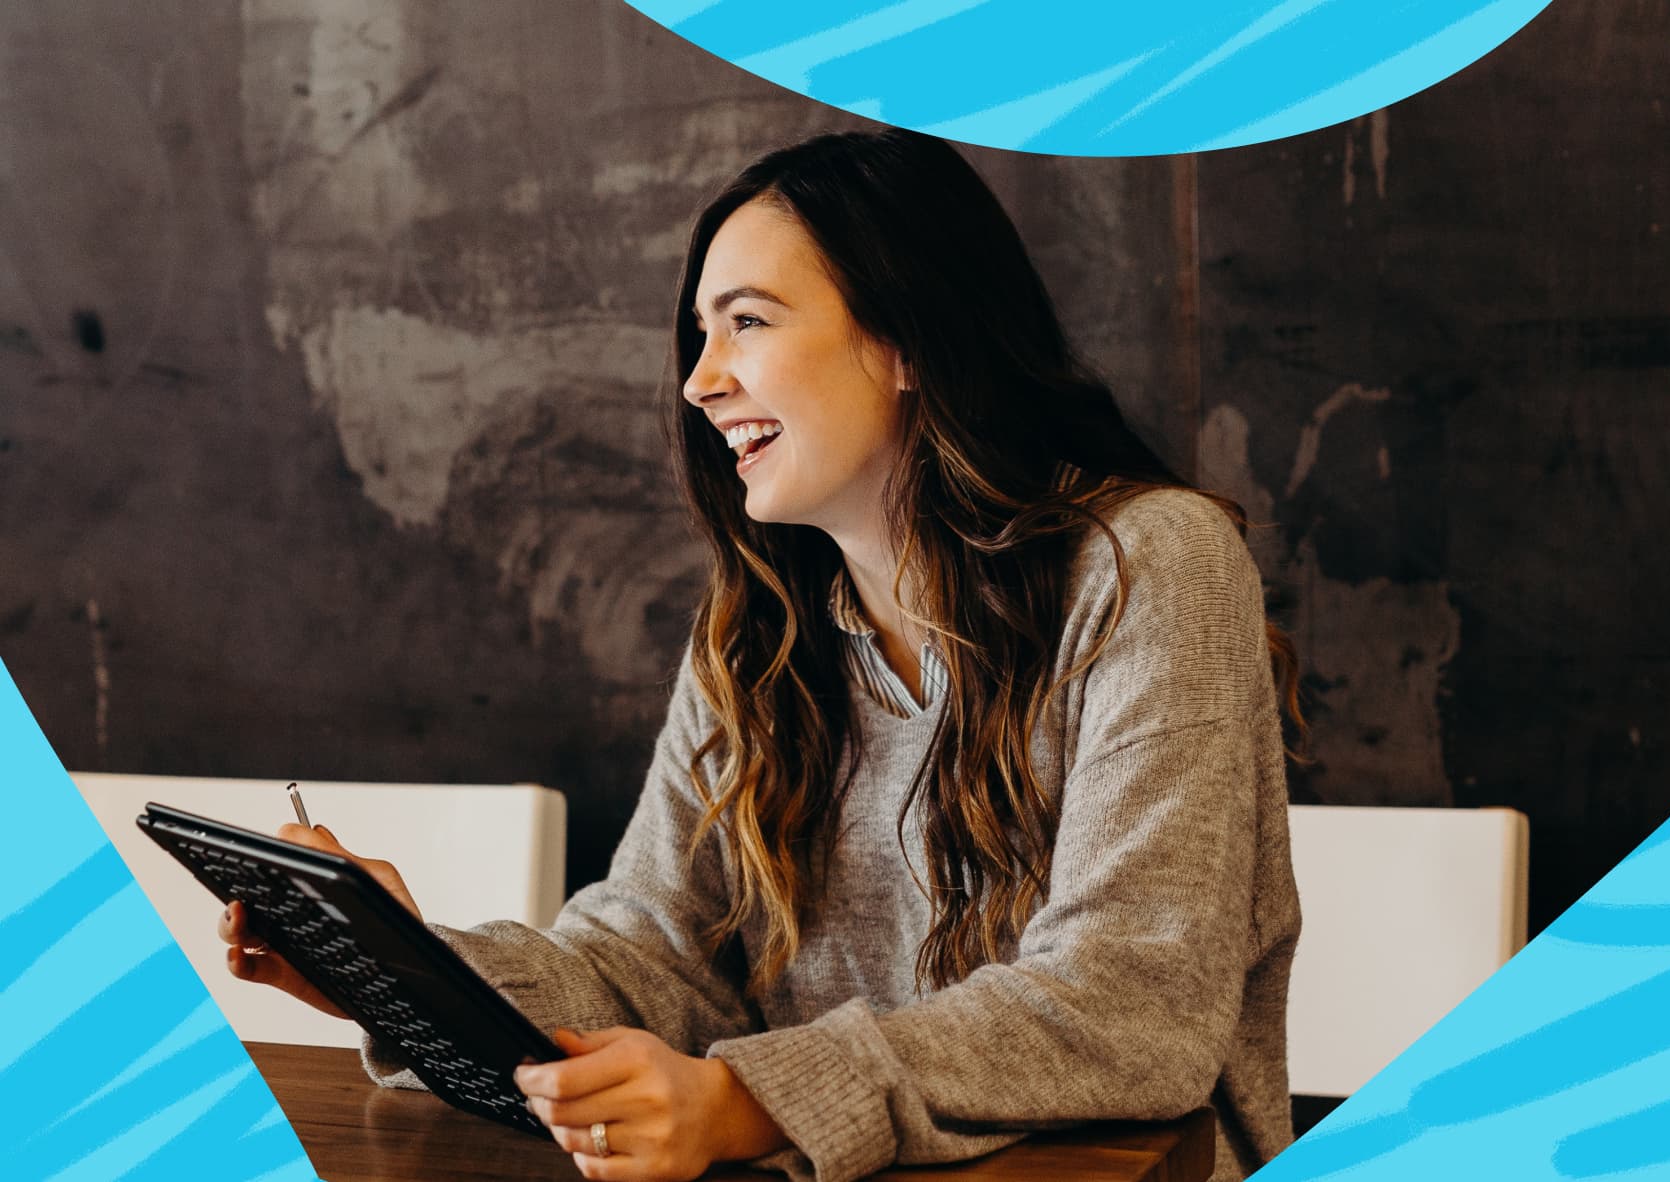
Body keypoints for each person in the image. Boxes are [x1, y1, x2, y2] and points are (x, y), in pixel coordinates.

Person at [219, 127, 1304, 1182]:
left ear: (905, 341)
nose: (699, 381)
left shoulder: (1147, 565)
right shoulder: (757, 634)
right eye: (699, 334)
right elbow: (650, 961)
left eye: (746, 322)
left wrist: (746, 1104)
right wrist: (409, 974)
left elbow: (1130, 1002)